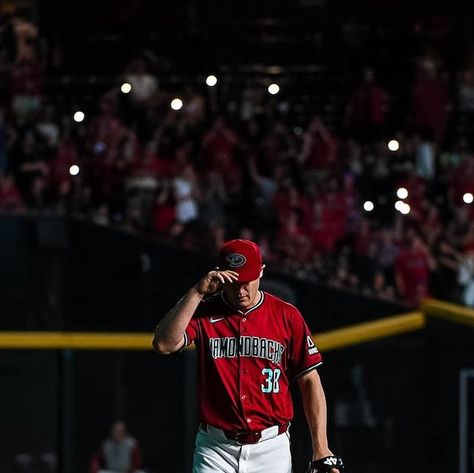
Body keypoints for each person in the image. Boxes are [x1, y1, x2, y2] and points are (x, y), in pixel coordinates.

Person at [153, 239, 343, 473]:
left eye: (247, 282)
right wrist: (196, 292)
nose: (241, 290)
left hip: (271, 447)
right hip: (215, 447)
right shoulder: (204, 312)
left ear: (261, 272)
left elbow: (310, 380)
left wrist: (321, 448)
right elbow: (163, 344)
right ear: (220, 276)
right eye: (233, 282)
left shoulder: (287, 315)